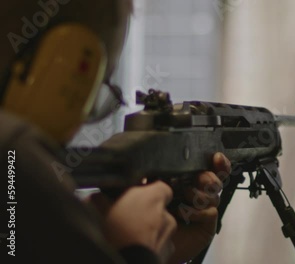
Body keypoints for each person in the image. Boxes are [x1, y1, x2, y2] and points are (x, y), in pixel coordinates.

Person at [0, 1, 230, 263]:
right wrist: (137, 253)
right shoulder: (12, 152)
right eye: (93, 92)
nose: (81, 121)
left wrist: (104, 246)